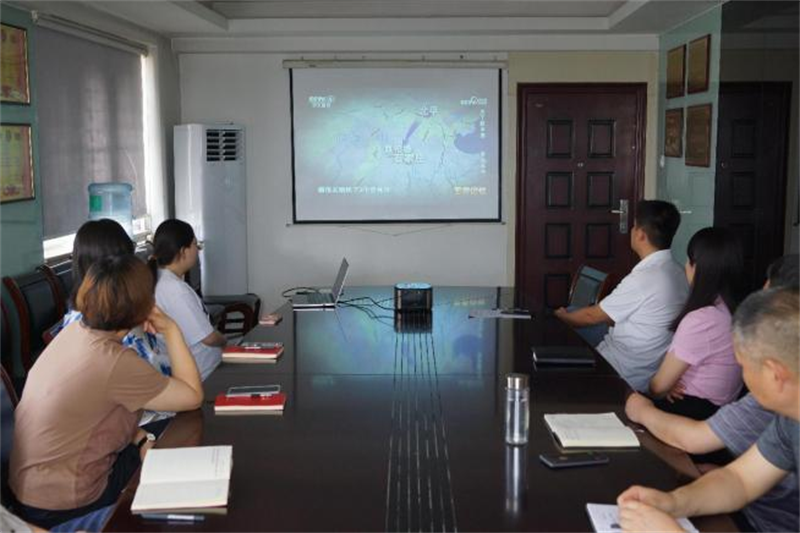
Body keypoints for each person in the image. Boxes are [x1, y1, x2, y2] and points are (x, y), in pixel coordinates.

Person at [8, 256, 203, 530]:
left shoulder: (74, 332)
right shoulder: (114, 361)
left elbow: (94, 417)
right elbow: (193, 396)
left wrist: (142, 440)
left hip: (29, 493)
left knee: (167, 433)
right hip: (62, 505)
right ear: (143, 305)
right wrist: (171, 329)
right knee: (185, 433)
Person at [625, 254, 800, 533]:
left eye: (743, 366)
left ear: (775, 374)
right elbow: (740, 481)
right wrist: (673, 502)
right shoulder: (789, 419)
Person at [555, 200, 689, 391]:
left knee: (565, 318)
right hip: (650, 362)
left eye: (634, 226)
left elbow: (591, 316)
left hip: (621, 369)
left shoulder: (644, 279)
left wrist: (560, 317)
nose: (631, 231)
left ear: (640, 234)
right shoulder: (678, 271)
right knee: (575, 310)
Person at [647, 227, 745, 419]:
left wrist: (661, 388)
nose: (686, 266)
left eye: (689, 260)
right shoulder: (737, 311)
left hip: (692, 411)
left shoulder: (702, 319)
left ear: (698, 267)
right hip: (721, 411)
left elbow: (658, 387)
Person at [55, 219, 171, 376]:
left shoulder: (75, 319)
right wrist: (172, 331)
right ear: (114, 266)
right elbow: (163, 382)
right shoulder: (116, 327)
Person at [149, 219, 225, 380]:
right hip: (205, 373)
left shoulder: (162, 281)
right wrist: (225, 340)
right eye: (195, 245)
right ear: (183, 251)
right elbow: (209, 338)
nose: (198, 250)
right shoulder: (175, 290)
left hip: (193, 369)